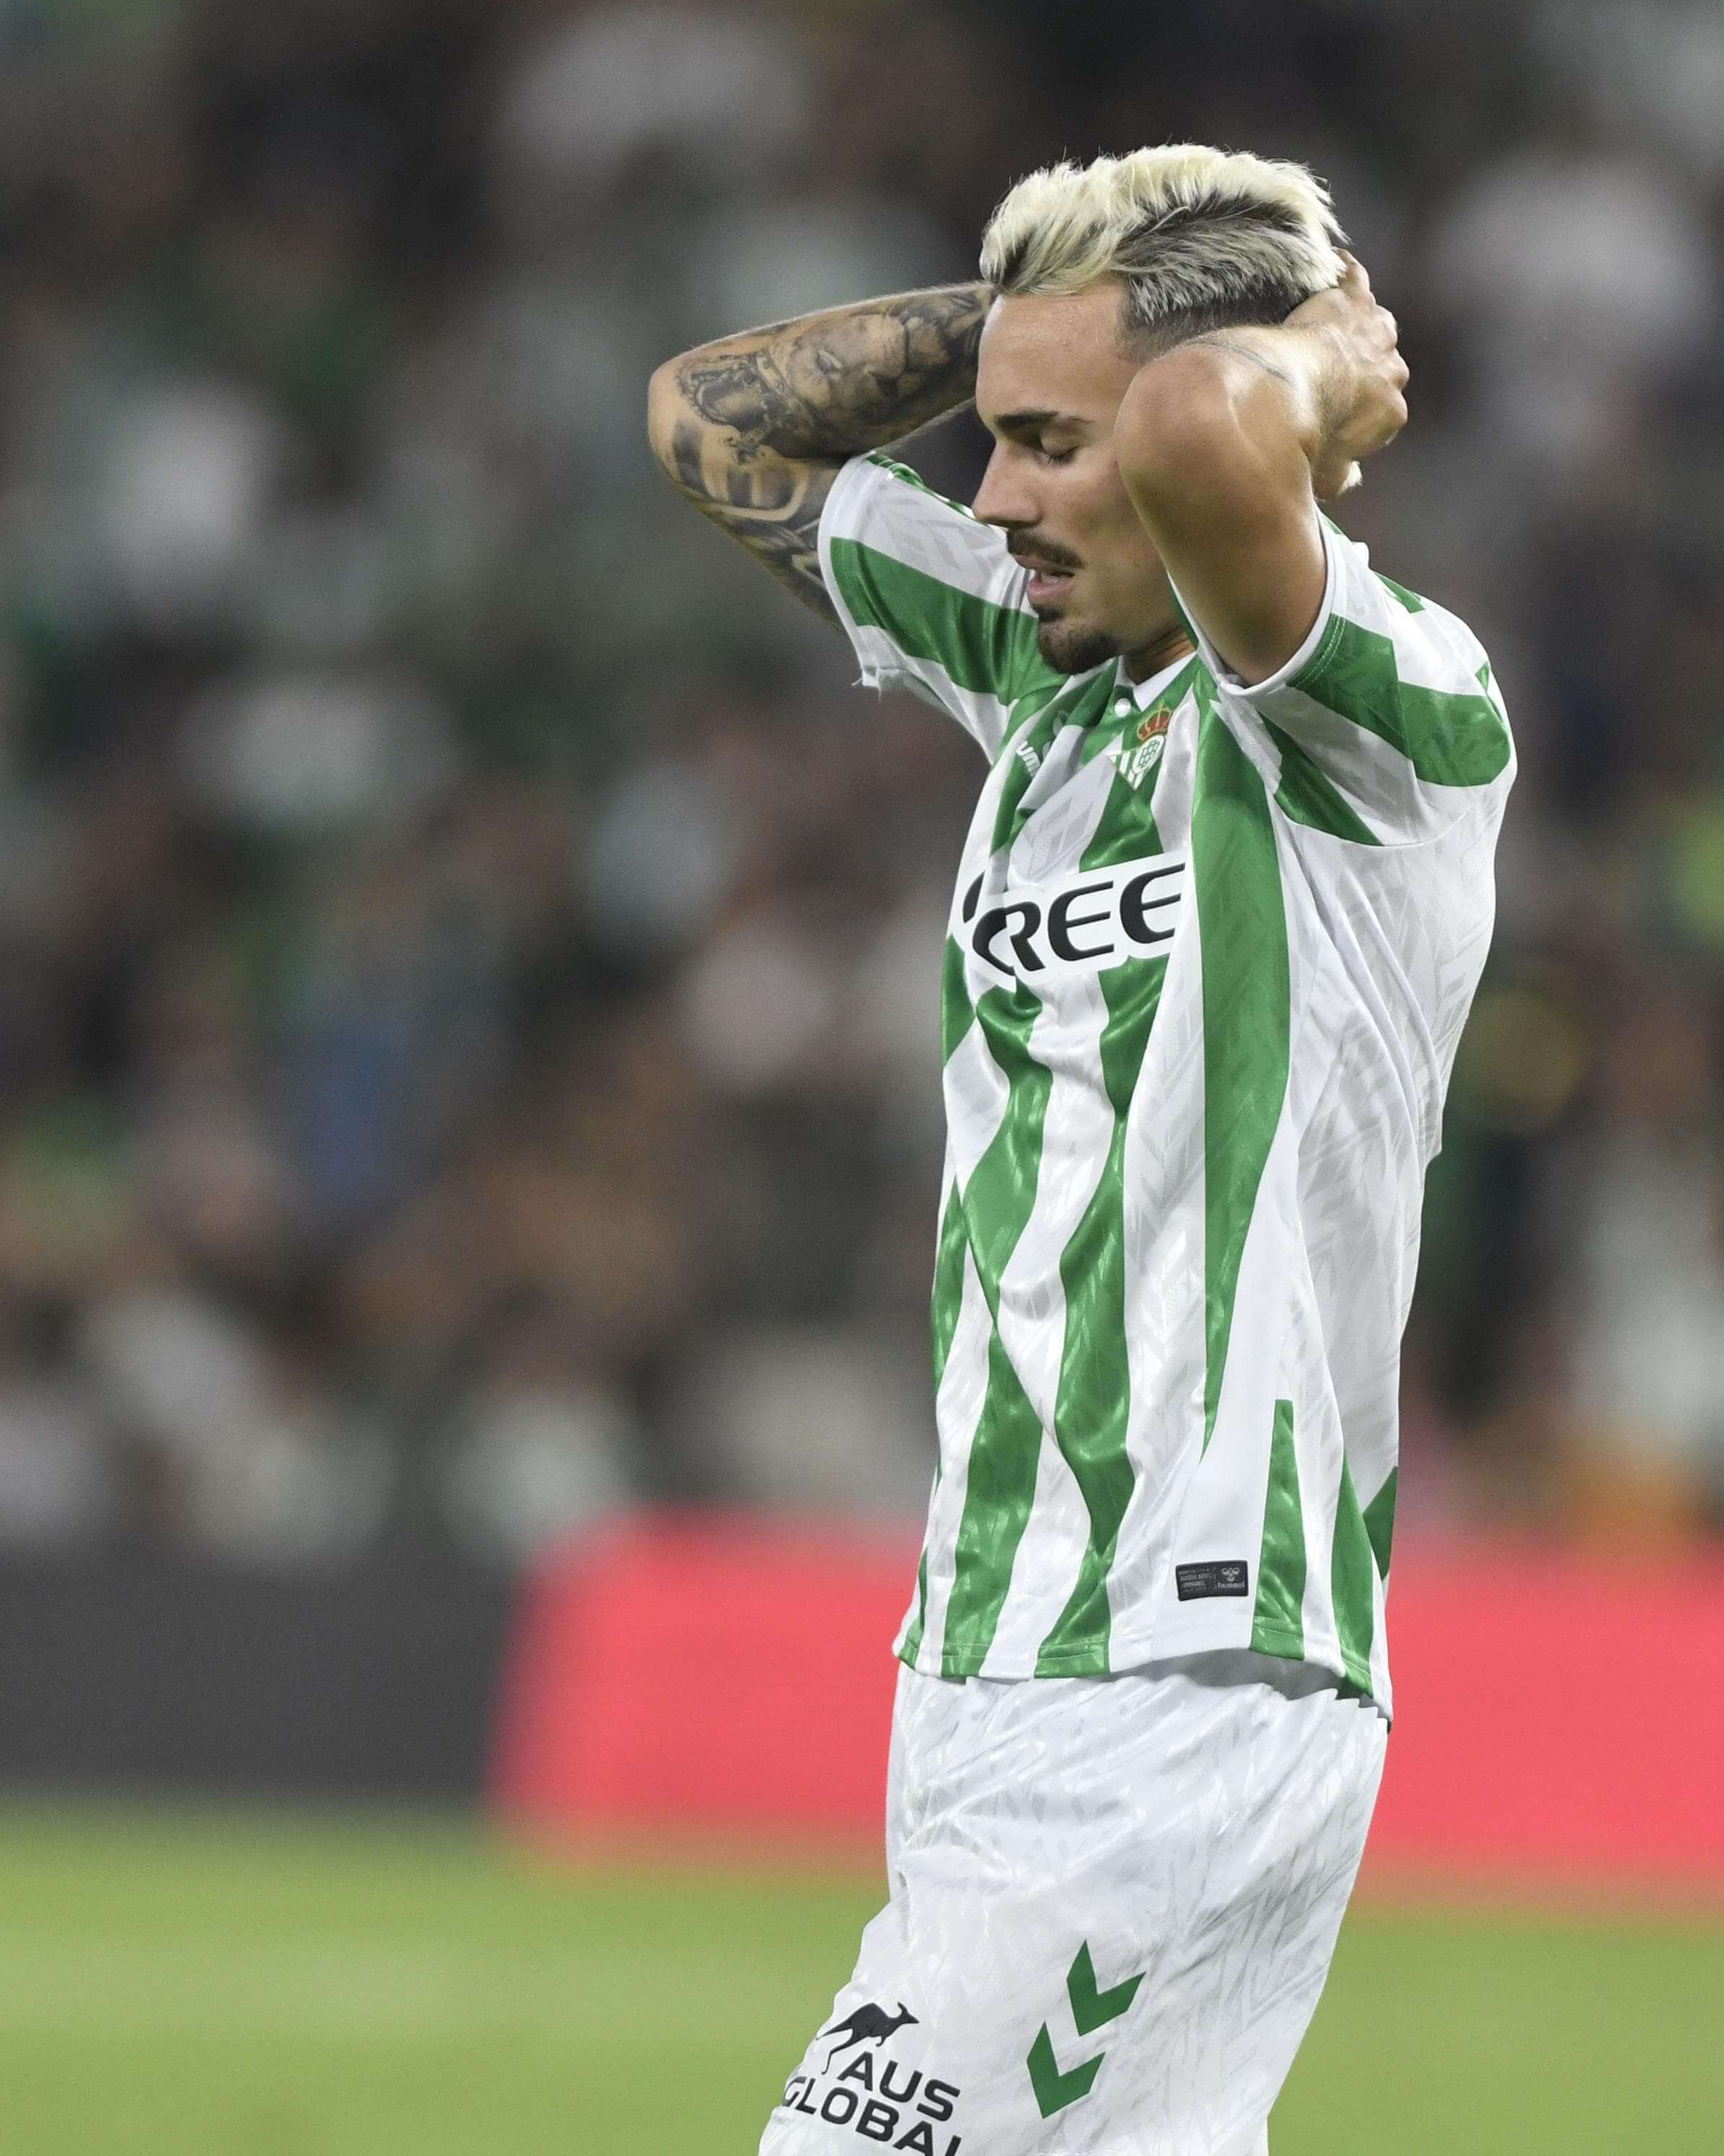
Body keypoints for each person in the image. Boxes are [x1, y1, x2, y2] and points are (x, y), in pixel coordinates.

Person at [649, 145, 1512, 2155]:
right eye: (994, 442)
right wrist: (1031, 334)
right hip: (988, 1650)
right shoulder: (1033, 681)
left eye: (1046, 445)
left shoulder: (1376, 722)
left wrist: (1277, 355)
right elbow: (707, 420)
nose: (990, 499)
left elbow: (1215, 425)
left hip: (1185, 1667)